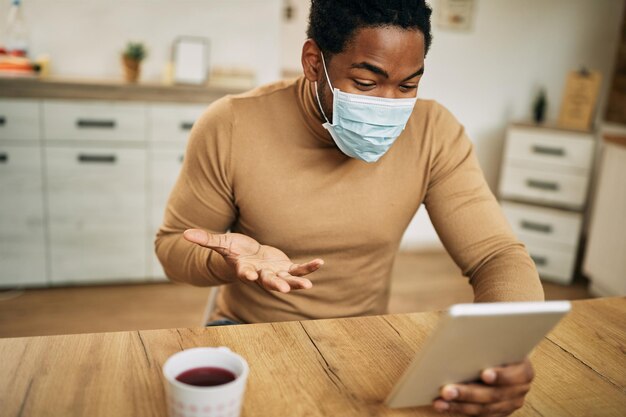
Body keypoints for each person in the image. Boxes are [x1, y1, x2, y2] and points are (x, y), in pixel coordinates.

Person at [156, 0, 544, 415]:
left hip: (364, 335)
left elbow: (497, 255)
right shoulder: (231, 124)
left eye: (408, 86)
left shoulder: (434, 133)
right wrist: (228, 264)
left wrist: (491, 356)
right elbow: (173, 250)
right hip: (248, 333)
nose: (388, 104)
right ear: (312, 62)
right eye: (365, 83)